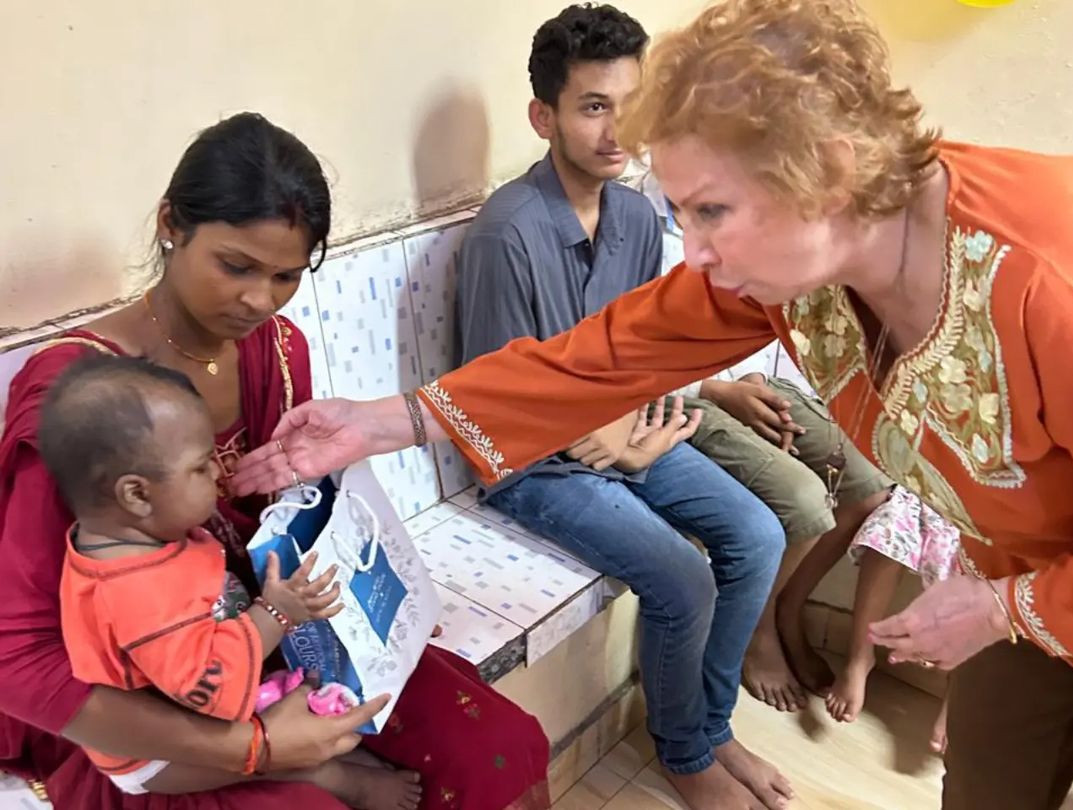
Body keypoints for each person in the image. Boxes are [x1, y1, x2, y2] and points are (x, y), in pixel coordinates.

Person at [235, 2, 1073, 808]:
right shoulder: (806, 255)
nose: (696, 254)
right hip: (1024, 584)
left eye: (711, 212)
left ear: (831, 169)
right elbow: (606, 353)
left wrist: (1006, 608)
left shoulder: (1050, 282)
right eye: (682, 212)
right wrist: (387, 420)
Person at [0, 112, 551, 810]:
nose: (259, 300)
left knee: (496, 751)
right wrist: (255, 748)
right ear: (172, 223)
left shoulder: (278, 351)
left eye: (287, 276)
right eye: (235, 266)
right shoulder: (82, 398)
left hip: (278, 634)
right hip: (144, 692)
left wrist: (385, 599)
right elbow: (19, 661)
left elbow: (301, 520)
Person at [455, 7, 789, 809]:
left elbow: (644, 352)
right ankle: (684, 752)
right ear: (546, 116)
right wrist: (612, 439)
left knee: (758, 533)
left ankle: (708, 726)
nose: (616, 130)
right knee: (683, 577)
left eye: (629, 106)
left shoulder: (639, 214)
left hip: (622, 438)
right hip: (532, 465)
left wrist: (639, 430)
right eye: (593, 106)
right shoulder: (507, 233)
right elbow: (493, 408)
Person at [44, 353, 422, 809]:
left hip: (188, 693)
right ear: (137, 493)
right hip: (159, 759)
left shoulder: (126, 541)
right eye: (202, 467)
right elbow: (212, 690)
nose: (219, 473)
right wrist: (276, 614)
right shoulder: (141, 597)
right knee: (310, 750)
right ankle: (328, 776)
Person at [669, 370, 891, 713]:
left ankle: (788, 607)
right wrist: (713, 388)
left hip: (751, 377)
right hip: (684, 386)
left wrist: (756, 379)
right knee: (807, 502)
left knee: (868, 488)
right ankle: (759, 627)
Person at [819, 485, 959, 754]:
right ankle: (859, 658)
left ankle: (959, 695)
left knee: (993, 572)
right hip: (945, 487)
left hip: (1001, 514)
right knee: (893, 523)